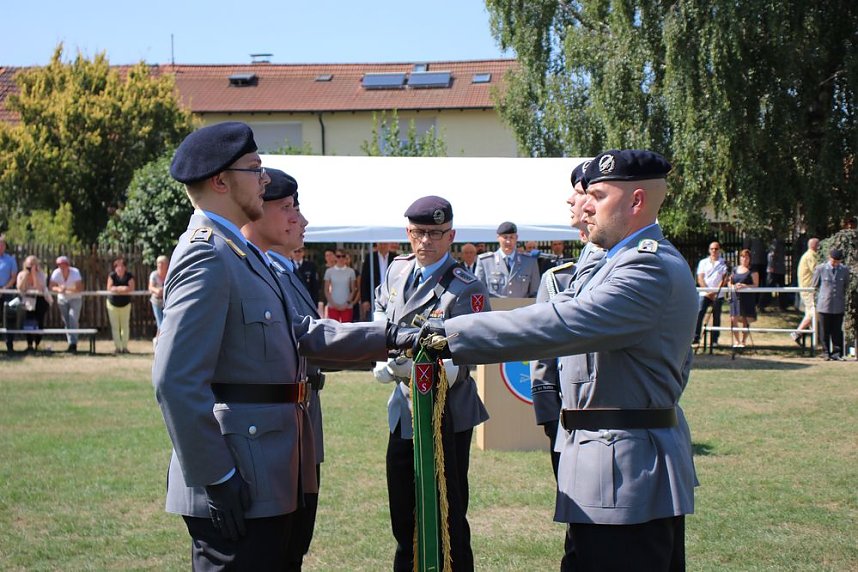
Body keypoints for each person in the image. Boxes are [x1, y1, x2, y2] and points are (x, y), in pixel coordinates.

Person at [395, 150, 698, 571]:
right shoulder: (614, 262)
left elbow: (557, 323)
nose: (584, 205)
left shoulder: (646, 267)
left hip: (627, 473)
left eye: (597, 194)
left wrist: (446, 334)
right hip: (604, 467)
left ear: (637, 201)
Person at [152, 122, 389, 570]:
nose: (264, 179)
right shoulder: (207, 254)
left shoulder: (242, 255)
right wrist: (216, 476)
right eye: (255, 169)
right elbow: (175, 381)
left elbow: (302, 335)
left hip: (266, 470)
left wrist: (390, 337)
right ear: (221, 181)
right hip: (237, 471)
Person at [373, 195, 490, 572]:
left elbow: (472, 349)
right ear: (408, 233)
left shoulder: (465, 286)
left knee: (448, 514)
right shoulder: (397, 270)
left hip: (447, 413)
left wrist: (417, 370)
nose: (427, 241)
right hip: (403, 412)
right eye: (420, 232)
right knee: (402, 513)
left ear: (451, 235)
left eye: (436, 233)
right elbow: (380, 312)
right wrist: (380, 353)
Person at [530, 161, 604, 486]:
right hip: (565, 415)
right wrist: (548, 411)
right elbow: (541, 351)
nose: (571, 202)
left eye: (578, 192)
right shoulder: (558, 279)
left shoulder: (634, 267)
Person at [475, 221, 540, 298]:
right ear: (498, 238)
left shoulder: (529, 261)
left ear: (516, 238)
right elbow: (478, 291)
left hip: (522, 309)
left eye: (511, 237)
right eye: (505, 237)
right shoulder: (485, 261)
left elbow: (535, 292)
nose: (508, 241)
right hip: (495, 309)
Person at [813, 248, 851, 360]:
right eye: (834, 261)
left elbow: (846, 285)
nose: (835, 264)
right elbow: (815, 284)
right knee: (824, 330)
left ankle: (837, 353)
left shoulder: (844, 270)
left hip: (838, 304)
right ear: (830, 258)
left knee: (837, 330)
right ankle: (825, 352)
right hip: (824, 304)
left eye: (837, 261)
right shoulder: (821, 269)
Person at [692, 241, 728, 346]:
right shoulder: (703, 262)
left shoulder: (723, 263)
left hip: (718, 294)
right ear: (709, 250)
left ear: (719, 250)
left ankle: (714, 340)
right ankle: (696, 337)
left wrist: (715, 291)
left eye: (716, 249)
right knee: (699, 313)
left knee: (716, 317)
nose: (714, 251)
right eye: (712, 249)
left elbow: (724, 279)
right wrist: (708, 291)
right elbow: (700, 278)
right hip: (704, 294)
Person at [16, 255, 53, 351]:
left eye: (33, 264)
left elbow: (39, 288)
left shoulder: (41, 274)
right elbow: (20, 288)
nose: (30, 266)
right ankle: (29, 345)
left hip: (40, 300)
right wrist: (26, 276)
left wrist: (34, 275)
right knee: (28, 322)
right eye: (29, 264)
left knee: (39, 322)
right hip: (28, 300)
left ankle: (38, 343)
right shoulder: (21, 274)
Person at [49, 255, 84, 353]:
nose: (61, 267)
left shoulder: (75, 272)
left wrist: (66, 289)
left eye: (63, 264)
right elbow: (51, 286)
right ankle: (70, 343)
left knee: (73, 318)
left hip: (75, 299)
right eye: (59, 265)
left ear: (67, 265)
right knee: (66, 321)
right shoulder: (56, 273)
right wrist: (59, 289)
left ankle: (74, 343)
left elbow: (79, 288)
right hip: (62, 299)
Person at [728, 249, 760, 348]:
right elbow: (729, 282)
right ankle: (737, 341)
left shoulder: (753, 271)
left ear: (749, 259)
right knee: (733, 319)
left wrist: (745, 286)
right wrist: (733, 287)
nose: (744, 259)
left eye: (746, 257)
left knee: (745, 320)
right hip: (735, 297)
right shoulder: (734, 269)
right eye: (742, 256)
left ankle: (743, 341)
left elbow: (756, 285)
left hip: (747, 298)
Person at [791, 237, 820, 345]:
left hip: (809, 289)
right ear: (814, 245)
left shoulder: (810, 255)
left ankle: (810, 337)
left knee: (810, 313)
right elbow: (816, 270)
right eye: (818, 245)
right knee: (814, 313)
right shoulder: (810, 256)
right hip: (808, 290)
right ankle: (797, 332)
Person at [106, 257, 135, 354]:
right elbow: (110, 288)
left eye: (122, 266)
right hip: (112, 305)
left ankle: (125, 347)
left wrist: (117, 289)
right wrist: (123, 288)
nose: (120, 269)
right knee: (115, 327)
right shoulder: (112, 276)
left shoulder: (129, 276)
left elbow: (131, 288)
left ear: (125, 268)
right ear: (115, 268)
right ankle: (118, 348)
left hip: (125, 304)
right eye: (118, 267)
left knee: (125, 326)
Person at [360, 242, 396, 320]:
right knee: (373, 322)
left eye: (385, 244)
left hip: (391, 296)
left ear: (389, 245)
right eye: (380, 244)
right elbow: (364, 280)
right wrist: (365, 300)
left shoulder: (395, 258)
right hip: (373, 297)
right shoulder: (370, 257)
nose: (383, 246)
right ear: (377, 245)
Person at [324, 249, 356, 322]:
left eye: (343, 256)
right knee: (333, 331)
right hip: (332, 305)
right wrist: (333, 304)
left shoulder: (351, 271)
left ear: (346, 257)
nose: (341, 258)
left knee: (347, 330)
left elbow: (353, 290)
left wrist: (347, 303)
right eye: (338, 256)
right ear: (335, 257)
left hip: (347, 306)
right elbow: (326, 290)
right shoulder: (329, 271)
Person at [1, 234, 18, 352]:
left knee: (8, 318)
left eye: (2, 245)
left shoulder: (10, 260)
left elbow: (13, 277)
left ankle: (9, 344)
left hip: (6, 291)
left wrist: (4, 288)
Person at [148, 255, 169, 344]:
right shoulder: (154, 274)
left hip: (166, 302)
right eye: (158, 263)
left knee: (165, 322)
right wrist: (157, 290)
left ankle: (158, 342)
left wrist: (164, 291)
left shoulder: (169, 273)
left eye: (162, 263)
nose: (160, 265)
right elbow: (150, 287)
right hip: (156, 301)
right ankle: (160, 343)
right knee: (160, 322)